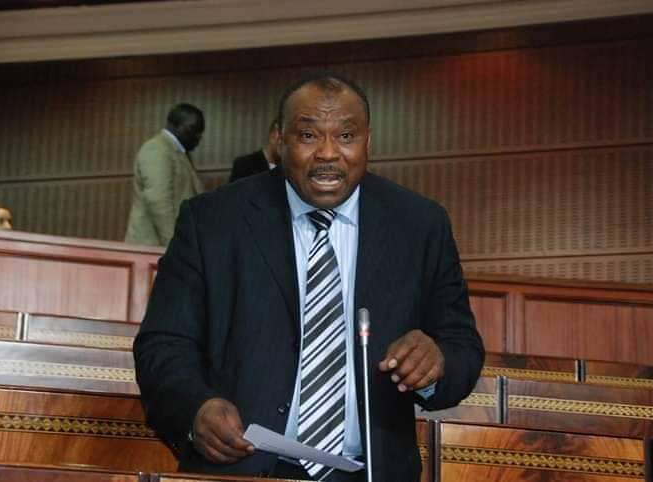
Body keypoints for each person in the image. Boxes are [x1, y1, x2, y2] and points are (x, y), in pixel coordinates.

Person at [134, 72, 484, 482]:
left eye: (346, 136)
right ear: (279, 140)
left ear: (368, 141)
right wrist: (195, 409)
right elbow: (163, 343)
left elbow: (462, 345)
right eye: (308, 136)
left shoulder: (420, 225)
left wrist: (436, 361)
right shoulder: (212, 221)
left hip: (371, 473)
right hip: (241, 469)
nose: (328, 153)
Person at [124, 103, 205, 247]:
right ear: (174, 125)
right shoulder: (157, 149)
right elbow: (159, 201)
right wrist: (176, 246)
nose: (198, 136)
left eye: (201, 132)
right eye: (193, 129)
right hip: (153, 247)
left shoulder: (180, 153)